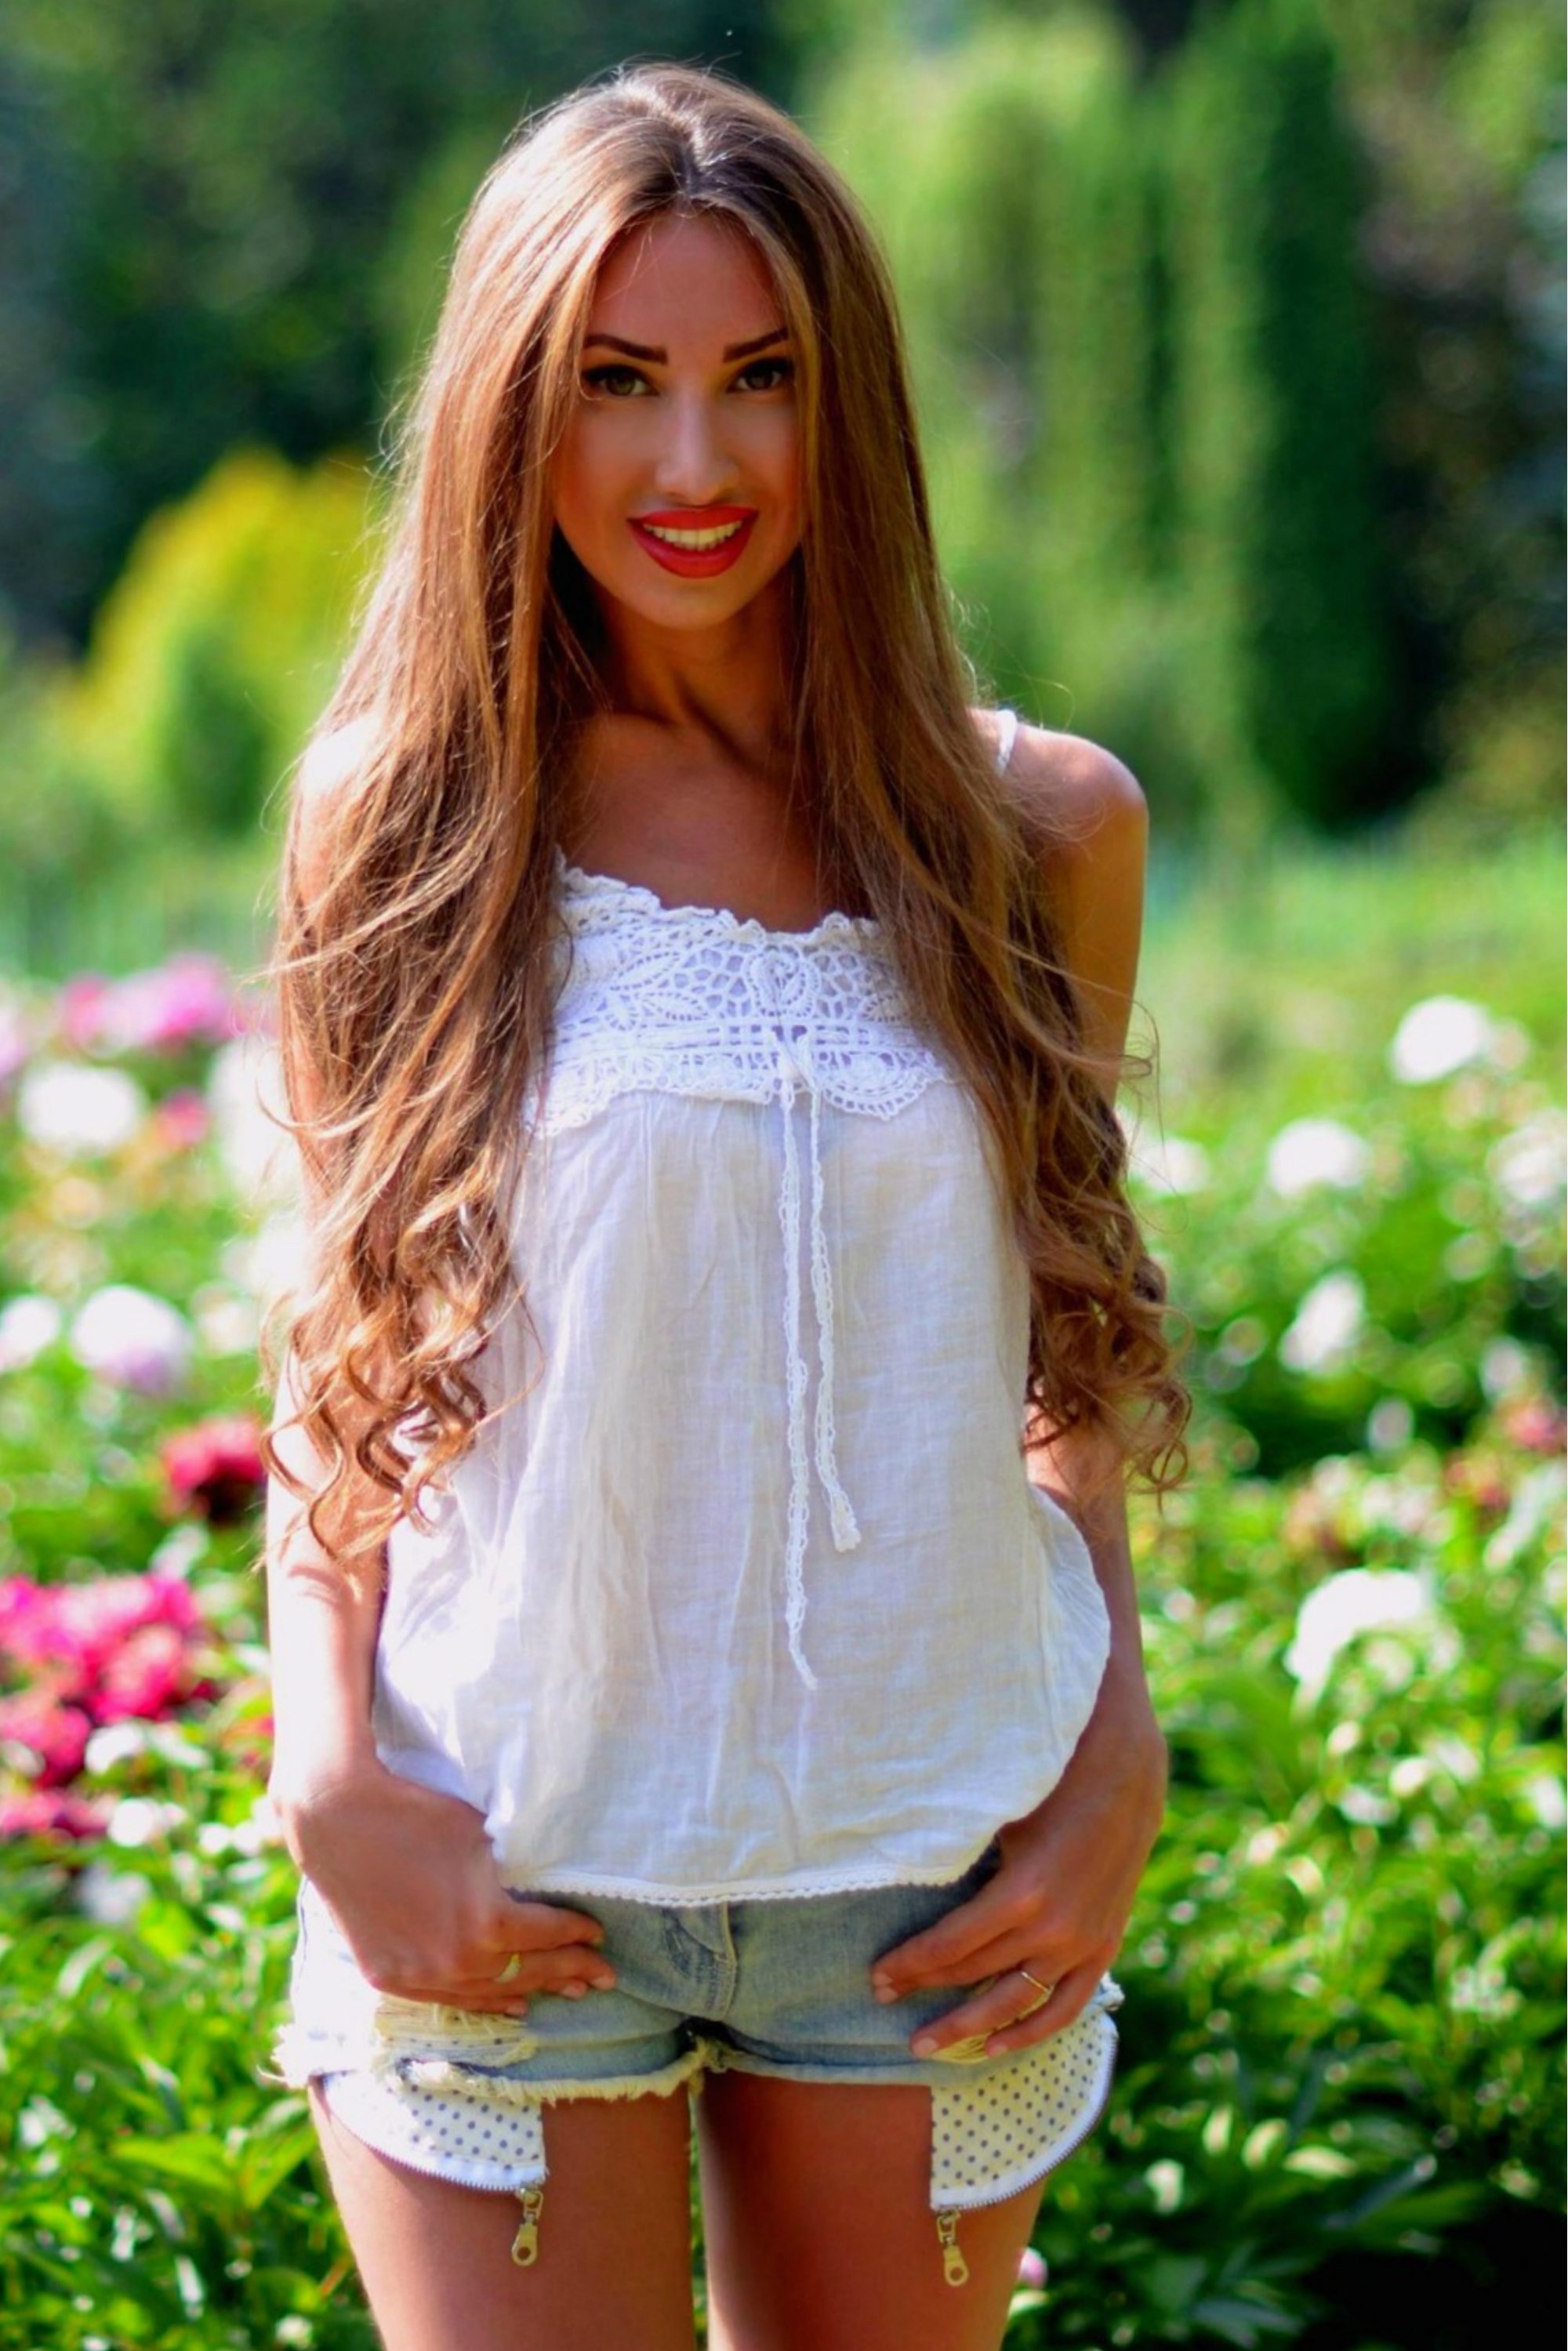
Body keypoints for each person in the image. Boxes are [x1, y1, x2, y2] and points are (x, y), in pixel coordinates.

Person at [257, 59, 1189, 2351]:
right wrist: (327, 1771)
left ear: (846, 403)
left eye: (760, 378)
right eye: (617, 382)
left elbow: (1067, 1346)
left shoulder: (1038, 834)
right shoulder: (407, 822)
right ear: (513, 406)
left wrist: (1117, 1751)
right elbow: (343, 1344)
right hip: (505, 1849)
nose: (696, 465)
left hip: (929, 1872)